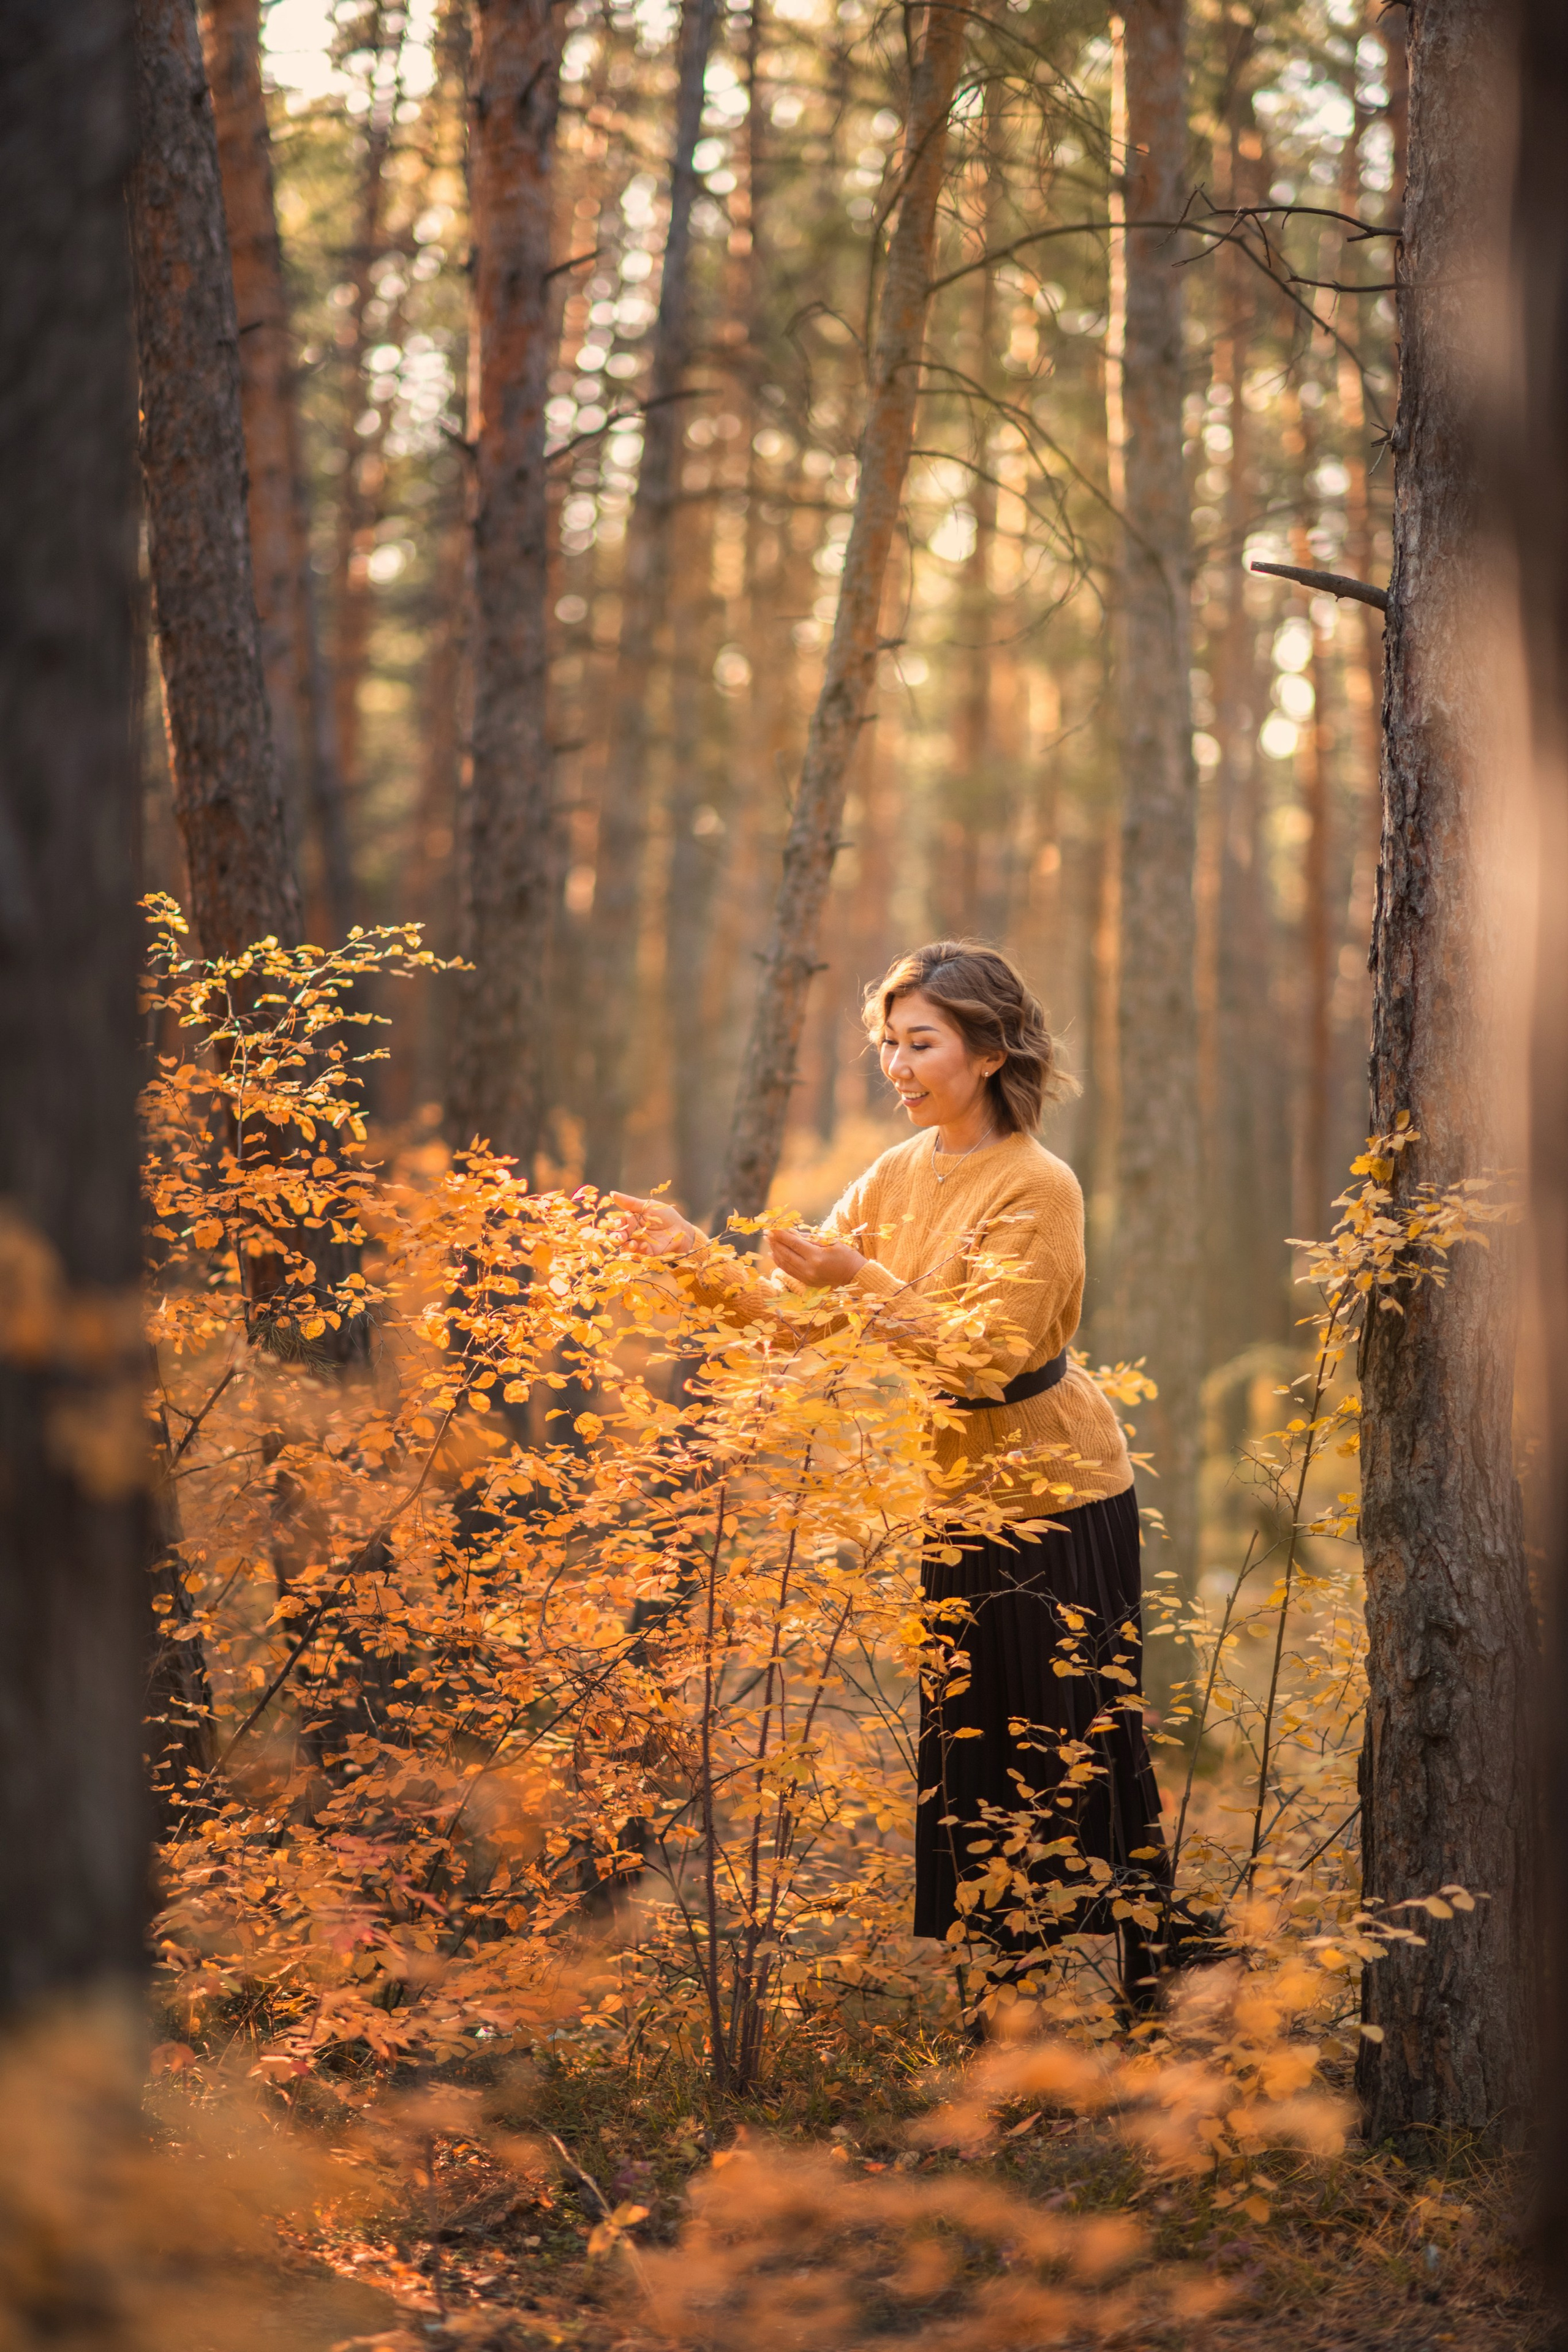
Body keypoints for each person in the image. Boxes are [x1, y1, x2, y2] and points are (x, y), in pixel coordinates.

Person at [611, 938, 1181, 2013]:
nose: (899, 1067)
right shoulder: (895, 1173)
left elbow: (986, 1357)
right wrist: (690, 1253)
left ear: (991, 1048)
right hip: (958, 1496)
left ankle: (1159, 1982)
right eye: (889, 1044)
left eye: (921, 1043)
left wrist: (862, 1277)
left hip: (1062, 1493)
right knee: (976, 1748)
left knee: (1076, 1746)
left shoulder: (1039, 1186)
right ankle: (1003, 2004)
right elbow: (794, 1323)